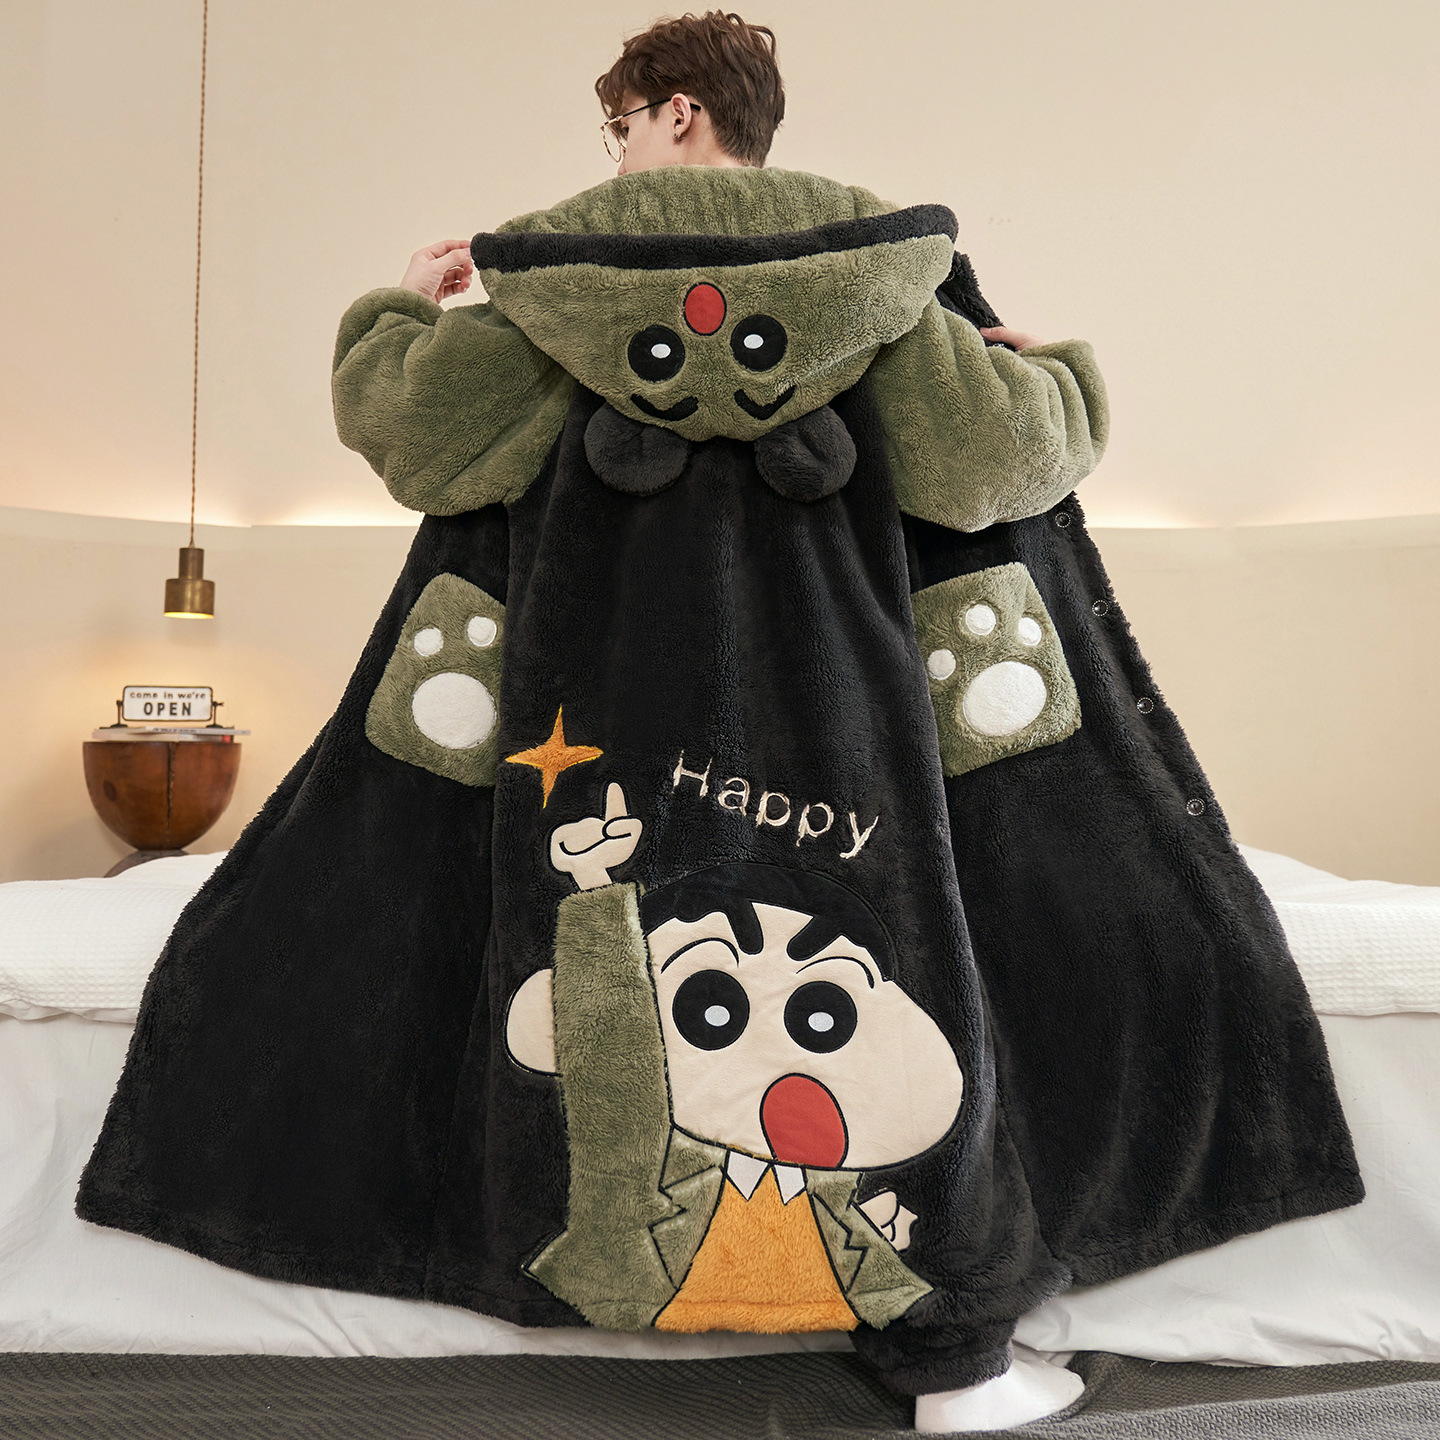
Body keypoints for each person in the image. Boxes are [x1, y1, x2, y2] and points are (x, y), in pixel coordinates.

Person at [77, 12, 1361, 1436]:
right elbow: (1007, 462)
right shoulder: (880, 277)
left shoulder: (547, 290)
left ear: (677, 110)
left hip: (579, 735)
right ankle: (954, 1353)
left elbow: (419, 437)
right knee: (890, 966)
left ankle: (594, 1250)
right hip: (854, 733)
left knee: (589, 967)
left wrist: (396, 313)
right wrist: (1060, 367)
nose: (620, 151)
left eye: (622, 123)